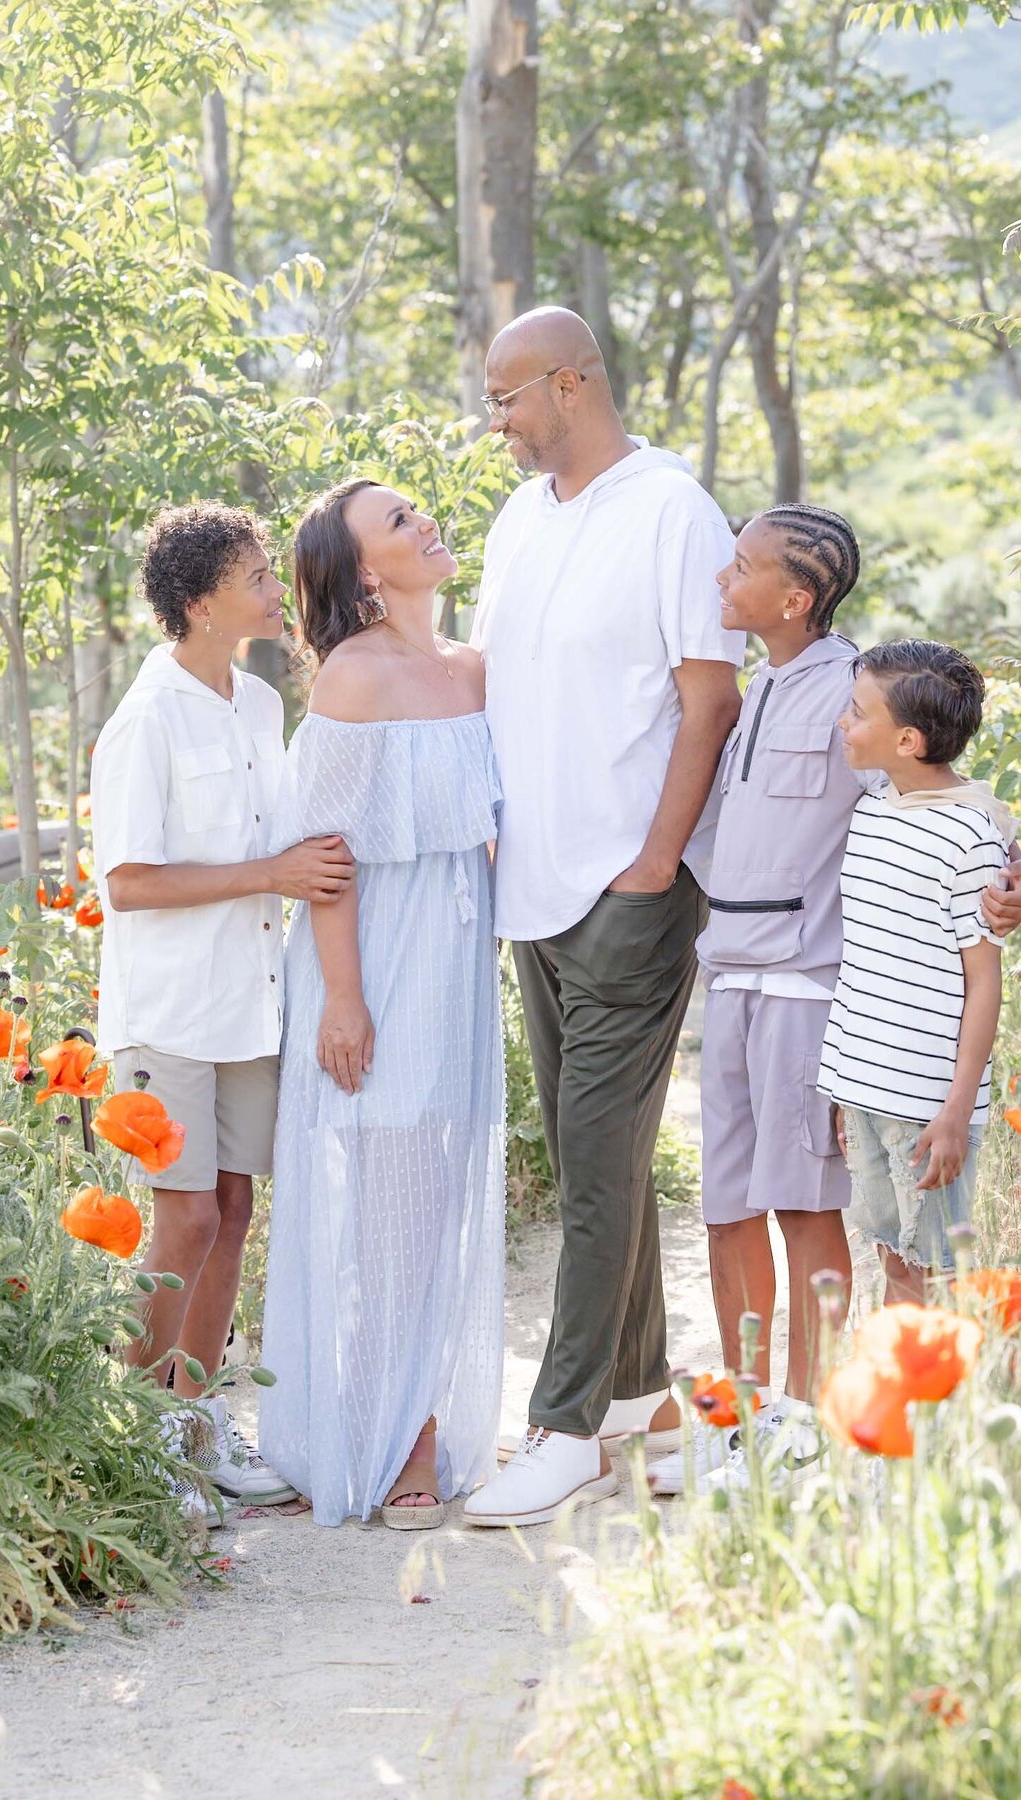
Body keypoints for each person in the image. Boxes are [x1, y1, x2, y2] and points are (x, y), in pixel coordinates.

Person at [463, 307, 744, 1529]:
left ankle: (565, 1425)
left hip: (630, 885)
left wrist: (656, 861)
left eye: (506, 398)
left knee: (593, 1163)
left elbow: (709, 699)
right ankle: (637, 1403)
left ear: (570, 385)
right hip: (529, 879)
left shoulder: (674, 509)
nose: (497, 421)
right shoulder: (518, 518)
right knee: (594, 1158)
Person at [91, 501, 356, 1522]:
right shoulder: (144, 720)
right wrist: (273, 874)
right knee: (186, 1214)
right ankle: (135, 1436)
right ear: (202, 602)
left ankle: (196, 1427)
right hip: (169, 1013)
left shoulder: (258, 705)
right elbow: (129, 882)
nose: (273, 590)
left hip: (254, 1003)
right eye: (254, 577)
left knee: (236, 1211)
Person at [258, 478, 505, 1529]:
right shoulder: (352, 681)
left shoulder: (473, 668)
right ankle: (396, 1437)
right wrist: (344, 1003)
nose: (428, 521)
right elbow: (325, 858)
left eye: (419, 508)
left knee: (441, 1187)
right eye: (400, 521)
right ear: (364, 572)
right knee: (386, 1194)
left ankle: (418, 1417)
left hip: (456, 964)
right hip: (375, 962)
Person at [646, 504, 866, 1496]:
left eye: (740, 570)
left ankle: (807, 1425)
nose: (721, 585)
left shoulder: (856, 694)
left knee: (804, 1202)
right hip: (726, 981)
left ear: (796, 596)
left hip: (808, 992)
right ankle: (740, 1418)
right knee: (726, 1208)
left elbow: (922, 811)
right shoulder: (749, 694)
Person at [820, 640, 1011, 1299]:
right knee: (892, 1261)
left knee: (933, 1272)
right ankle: (899, 1400)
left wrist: (959, 1109)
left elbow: (985, 980)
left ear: (905, 740)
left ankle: (935, 1400)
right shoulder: (873, 808)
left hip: (928, 1102)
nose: (843, 722)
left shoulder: (968, 836)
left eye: (855, 712)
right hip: (865, 1085)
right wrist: (845, 1088)